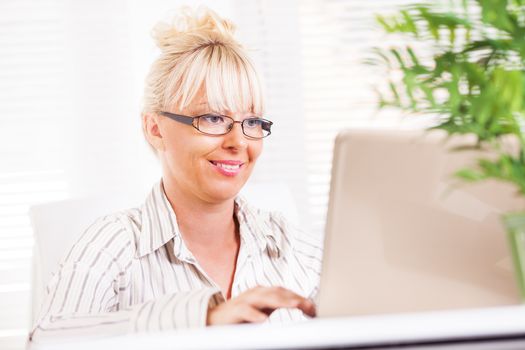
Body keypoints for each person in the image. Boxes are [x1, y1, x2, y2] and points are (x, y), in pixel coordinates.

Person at [29, 6, 322, 342]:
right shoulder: (113, 244)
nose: (239, 141)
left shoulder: (290, 247)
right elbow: (47, 340)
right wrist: (203, 319)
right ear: (155, 128)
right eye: (212, 118)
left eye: (252, 122)